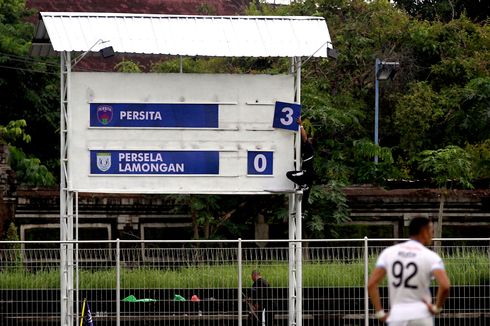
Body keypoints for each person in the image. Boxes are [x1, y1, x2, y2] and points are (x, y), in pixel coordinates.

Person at [368, 217, 451, 326]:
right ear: (424, 231)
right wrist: (436, 308)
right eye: (431, 231)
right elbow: (445, 285)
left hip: (397, 316)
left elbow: (371, 284)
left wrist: (380, 313)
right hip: (421, 315)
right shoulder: (431, 257)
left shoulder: (388, 253)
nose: (432, 234)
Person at [286, 117, 315, 211]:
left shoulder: (310, 148)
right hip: (309, 175)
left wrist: (301, 125)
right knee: (305, 195)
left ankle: (302, 184)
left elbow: (305, 138)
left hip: (307, 174)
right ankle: (301, 213)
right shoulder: (307, 150)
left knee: (289, 174)